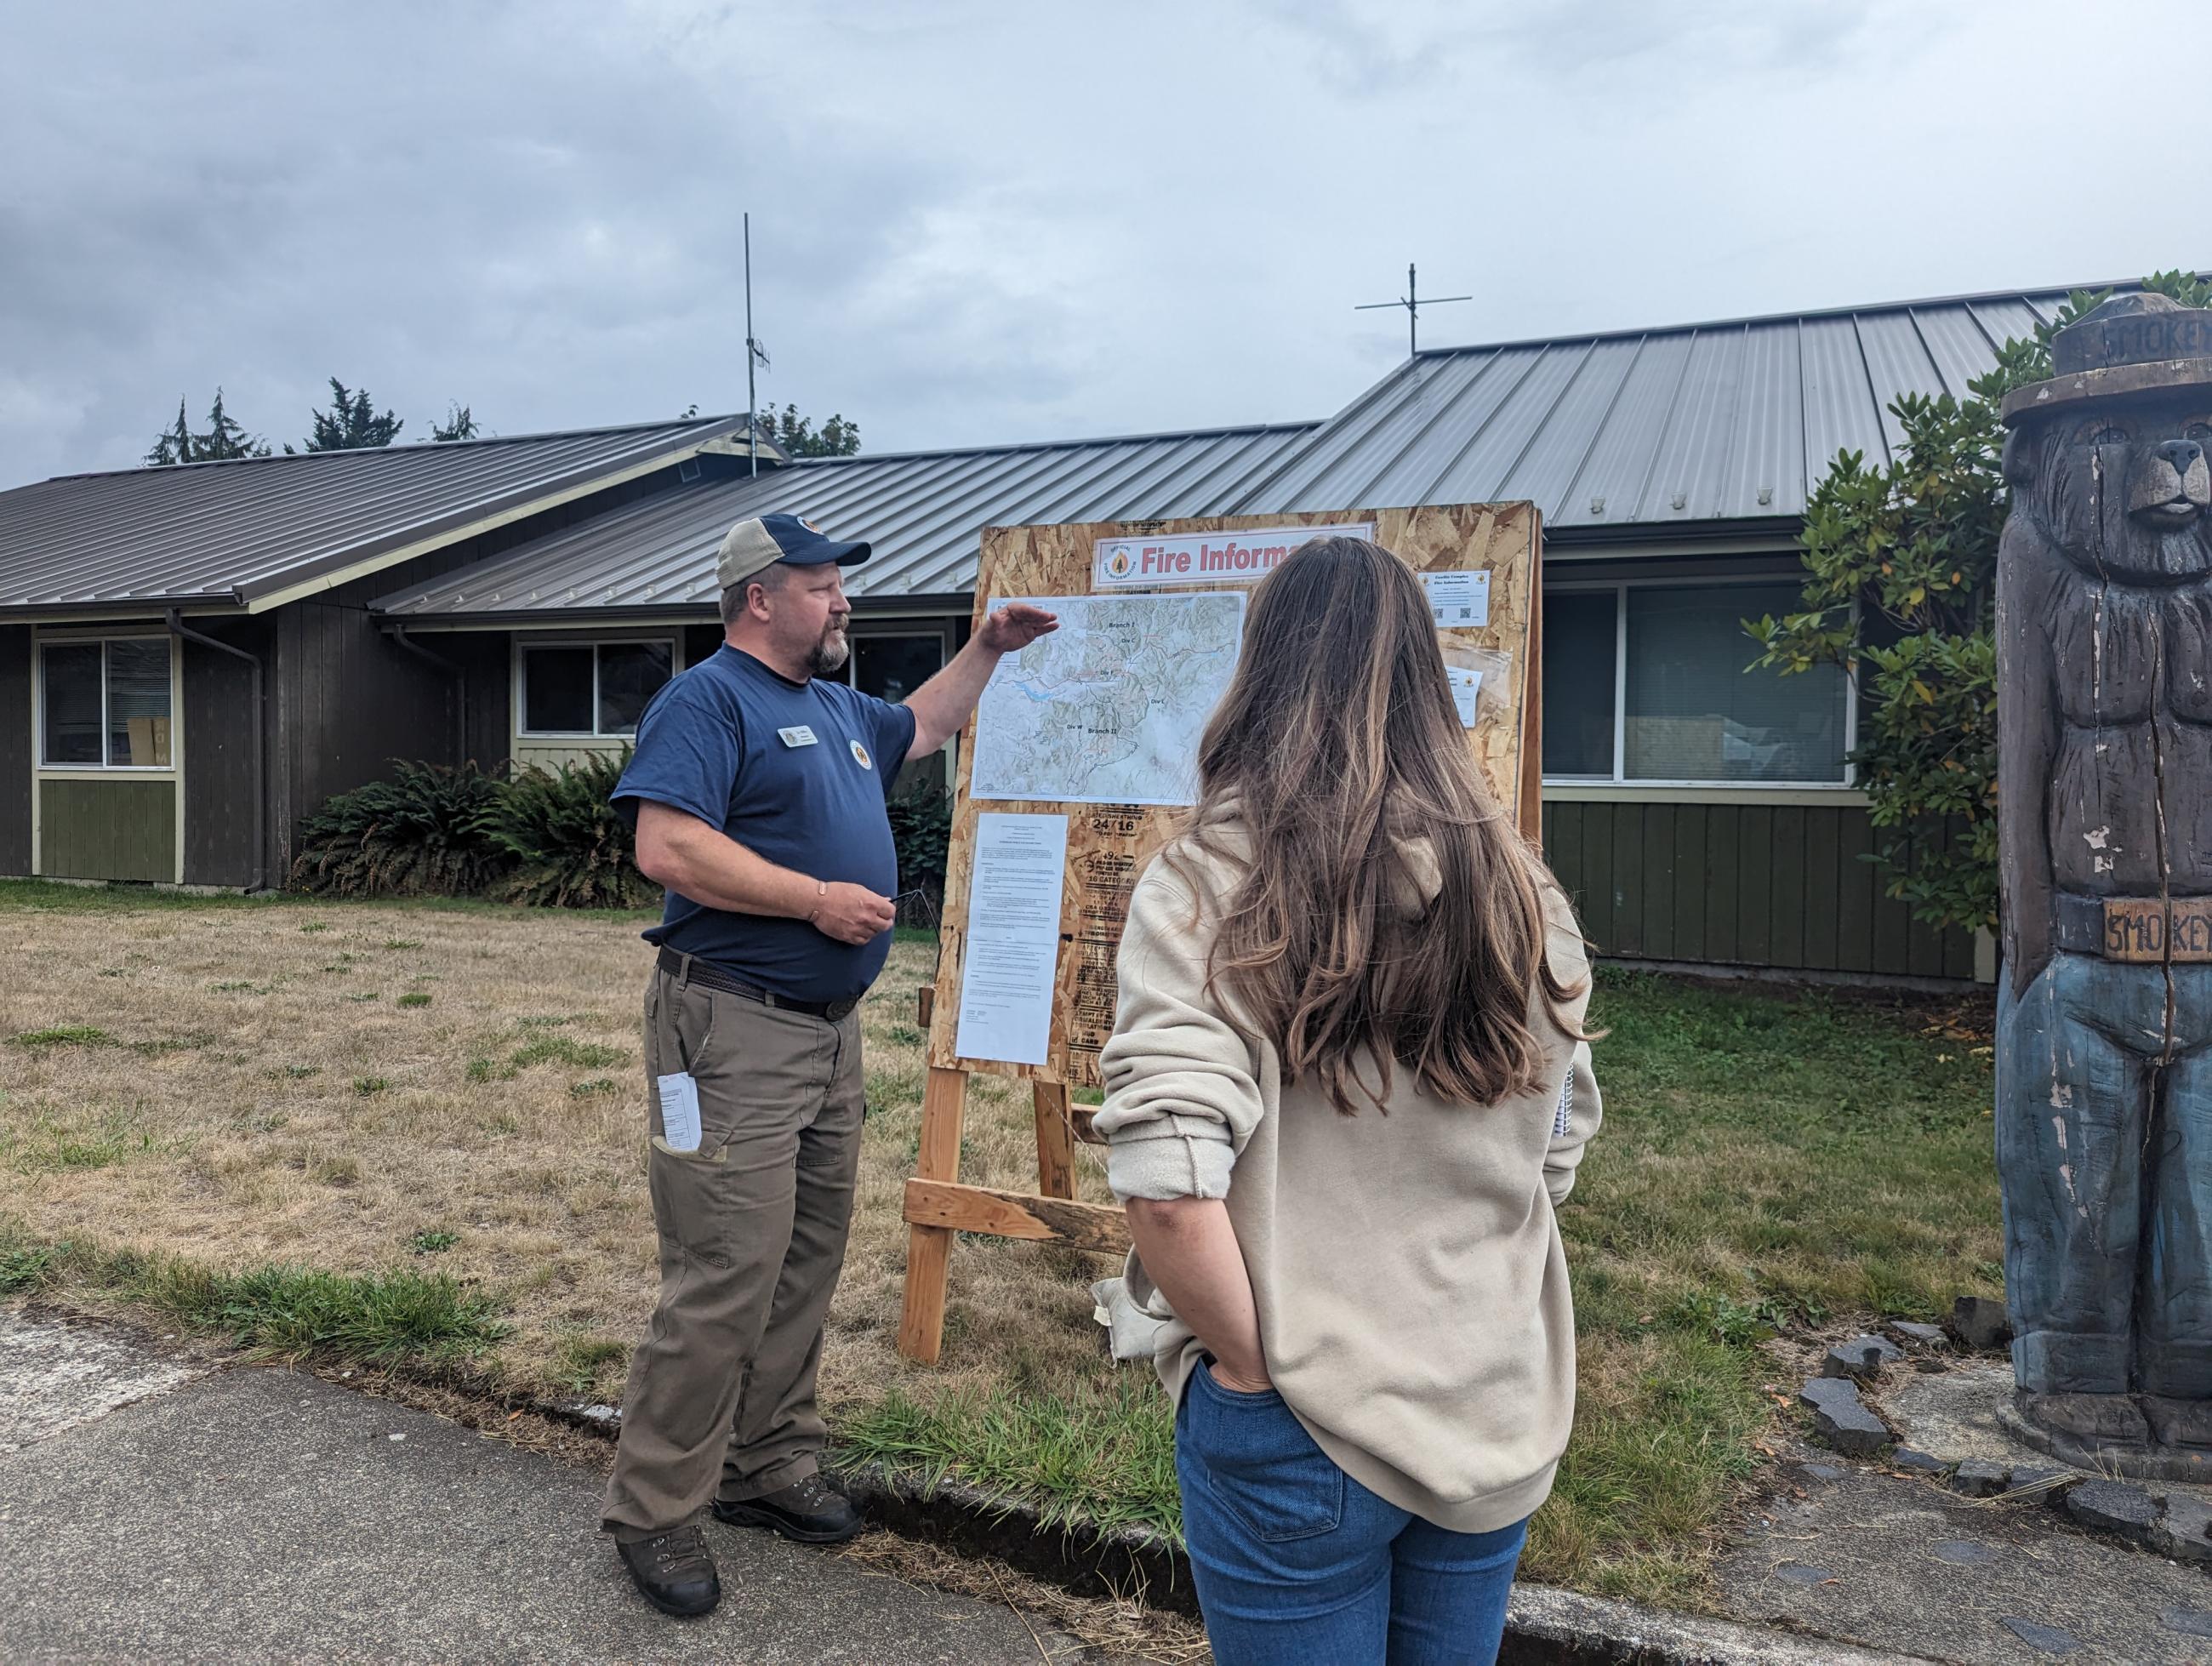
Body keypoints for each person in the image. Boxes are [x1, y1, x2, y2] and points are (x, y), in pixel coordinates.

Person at [1093, 536, 1601, 1665]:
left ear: (1258, 674)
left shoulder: (1210, 884)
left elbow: (1169, 1185)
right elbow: (1554, 1146)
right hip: (1489, 1400)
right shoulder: (1525, 893)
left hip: (1300, 1420)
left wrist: (1249, 1370)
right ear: (1427, 682)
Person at [599, 511, 1054, 1618]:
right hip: (725, 1036)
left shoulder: (839, 709)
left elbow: (927, 724)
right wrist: (813, 899)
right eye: (822, 585)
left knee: (804, 1257)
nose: (842, 600)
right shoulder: (710, 700)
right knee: (724, 1267)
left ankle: (767, 1466)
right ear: (761, 596)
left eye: (841, 586)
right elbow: (666, 843)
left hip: (824, 1035)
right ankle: (654, 1510)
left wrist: (988, 647)